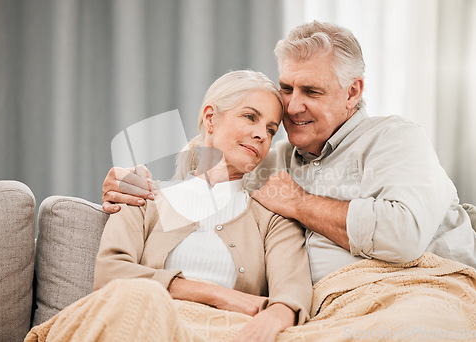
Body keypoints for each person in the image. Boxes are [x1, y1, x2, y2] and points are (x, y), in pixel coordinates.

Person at [102, 21, 476, 284]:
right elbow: (204, 183)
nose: (292, 108)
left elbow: (403, 234)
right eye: (287, 88)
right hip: (325, 311)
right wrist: (126, 187)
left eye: (311, 91)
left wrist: (299, 203)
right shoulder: (271, 160)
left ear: (352, 92)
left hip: (419, 285)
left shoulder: (395, 138)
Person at [25, 70, 312, 342]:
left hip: (222, 333)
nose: (262, 134)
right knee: (140, 298)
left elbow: (291, 294)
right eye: (250, 117)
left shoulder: (273, 216)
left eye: (271, 129)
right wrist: (218, 295)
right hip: (143, 323)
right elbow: (111, 274)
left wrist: (273, 316)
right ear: (210, 118)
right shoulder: (144, 196)